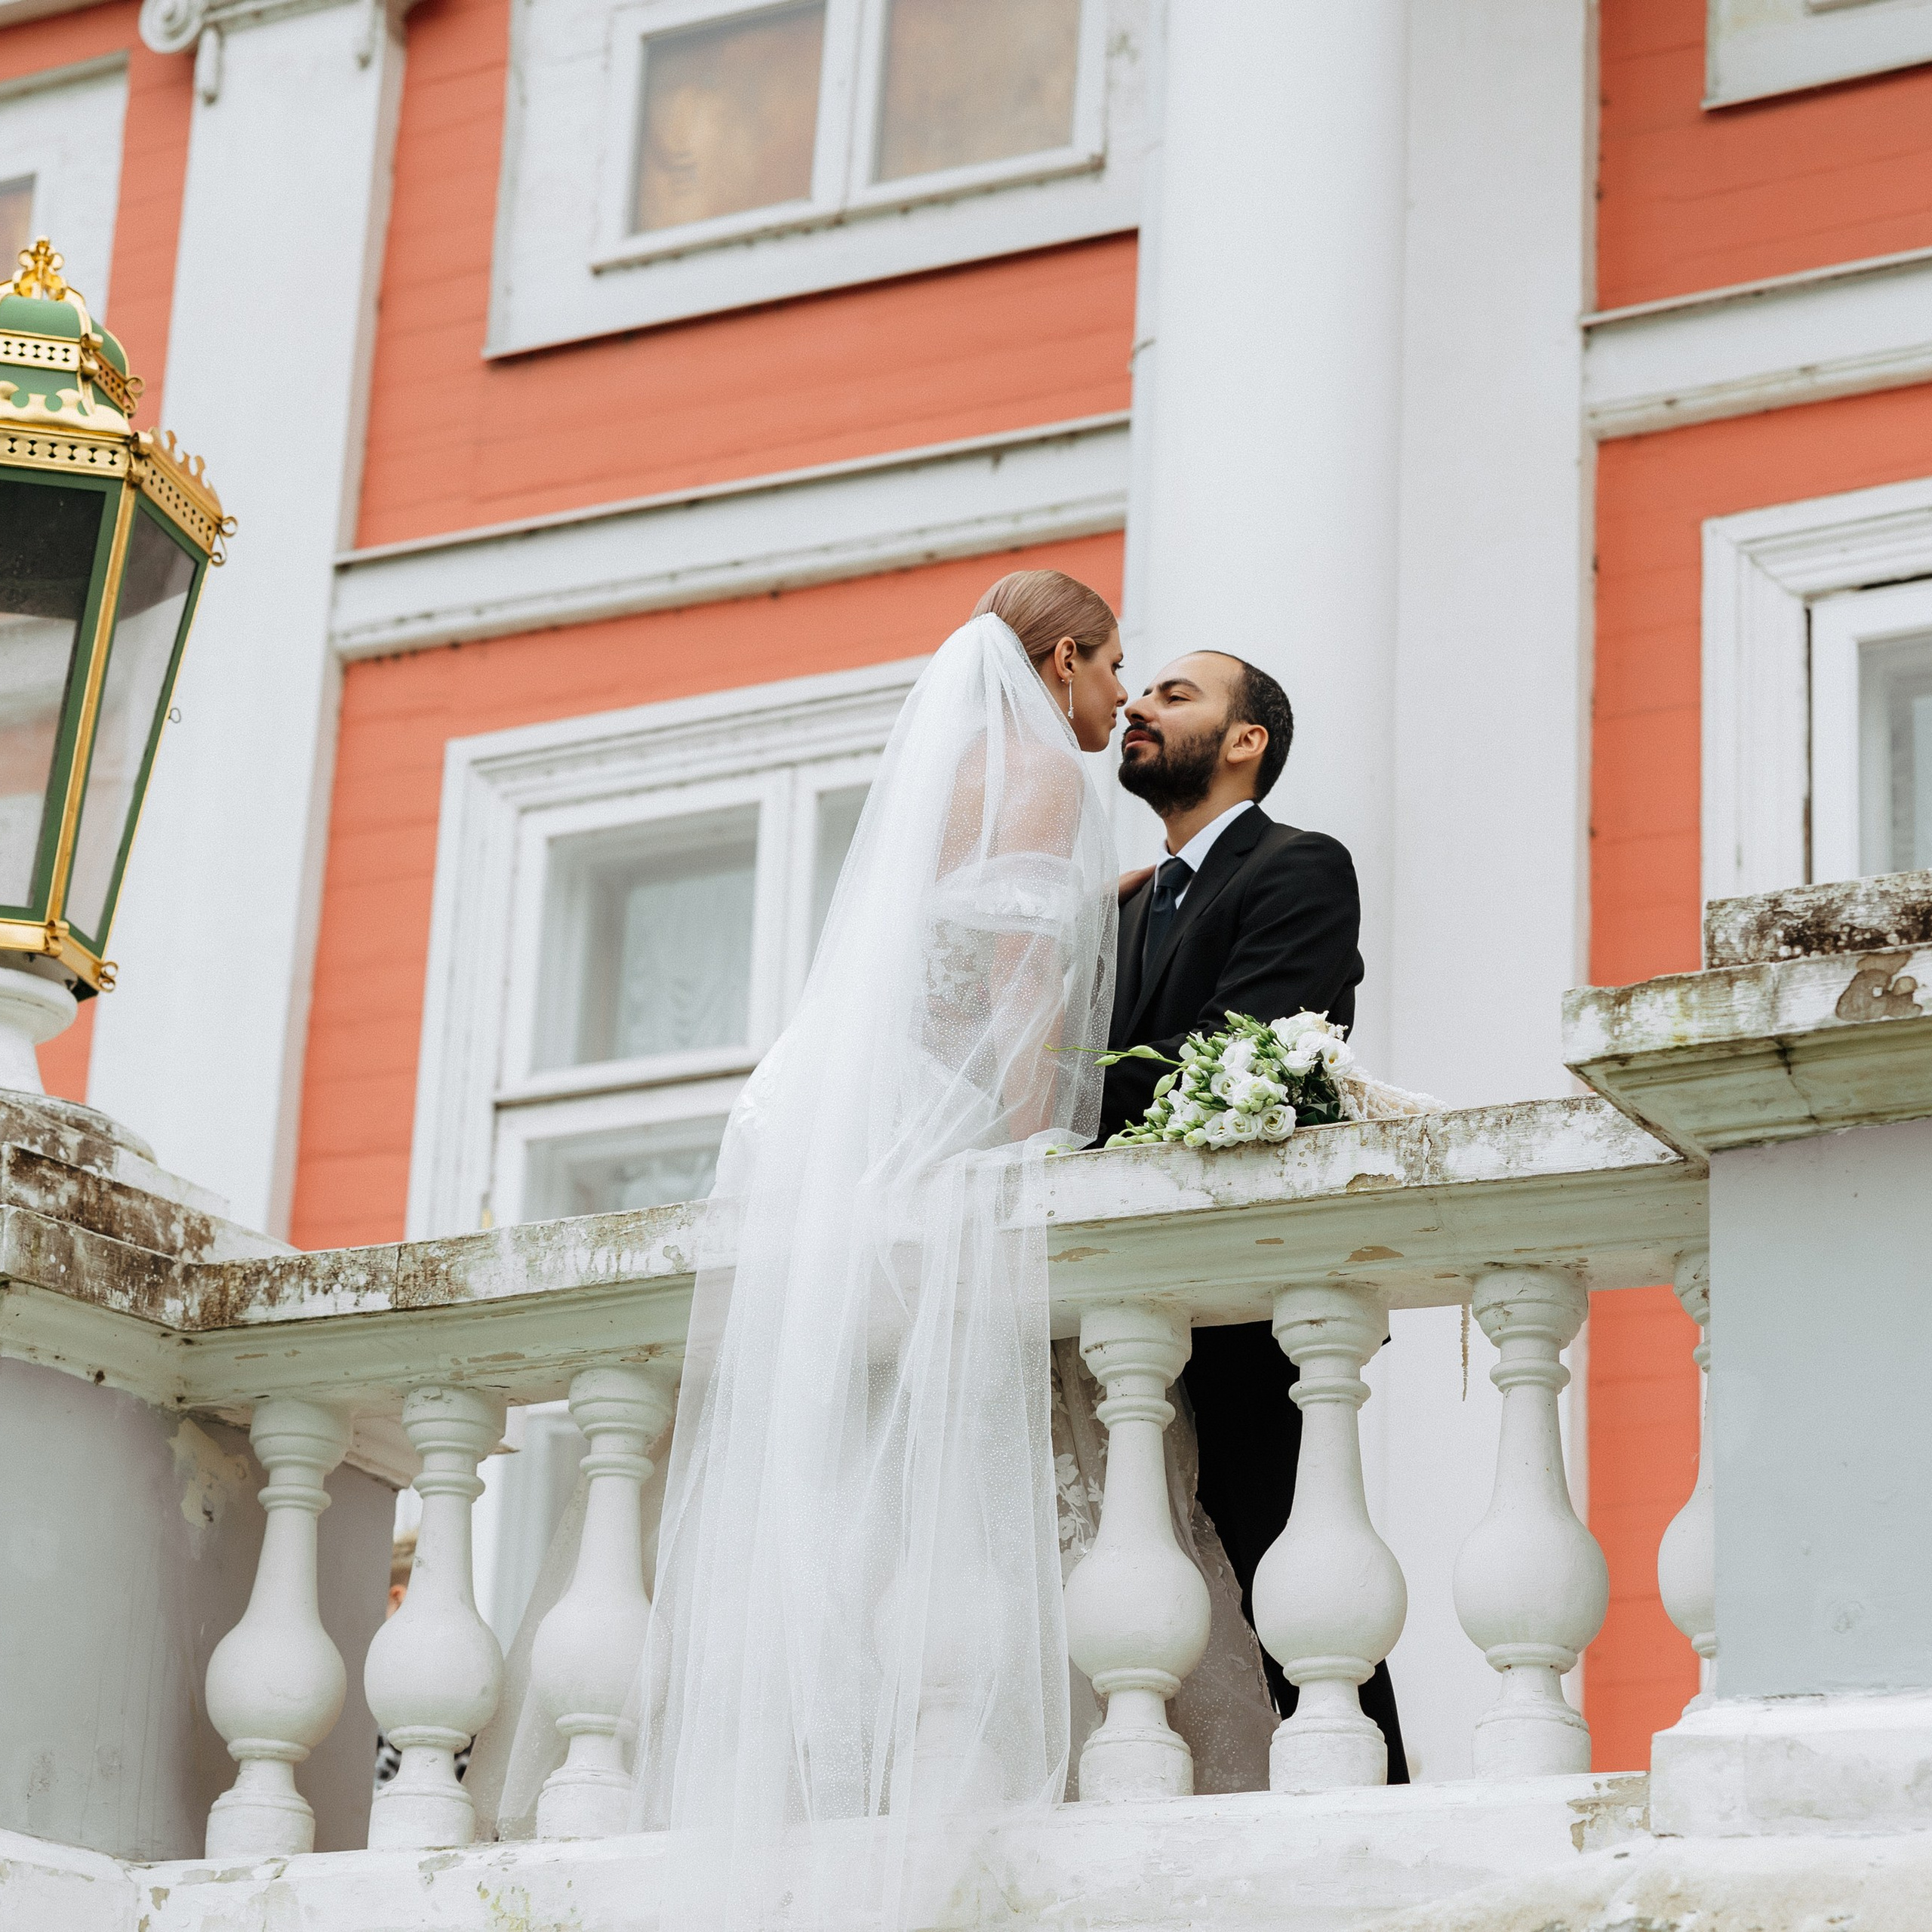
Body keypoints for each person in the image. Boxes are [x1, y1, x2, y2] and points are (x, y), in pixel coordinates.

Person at [625, 571, 1128, 1931]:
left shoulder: (948, 766)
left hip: (822, 1104)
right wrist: (1021, 1153)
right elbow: (1019, 993)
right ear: (1063, 658)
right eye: (1114, 664)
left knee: (826, 1425)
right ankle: (910, 1775)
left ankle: (805, 1755)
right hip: (927, 1119)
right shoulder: (1044, 774)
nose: (1122, 696)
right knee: (934, 1426)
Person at [1103, 650, 1408, 1783]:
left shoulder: (1300, 868)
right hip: (1124, 1300)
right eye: (1140, 693)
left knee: (1283, 1559)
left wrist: (1052, 1087)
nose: (1137, 705)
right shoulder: (1130, 910)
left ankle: (1371, 1801)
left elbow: (1241, 1054)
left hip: (1246, 1303)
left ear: (1247, 742)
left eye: (1174, 695)